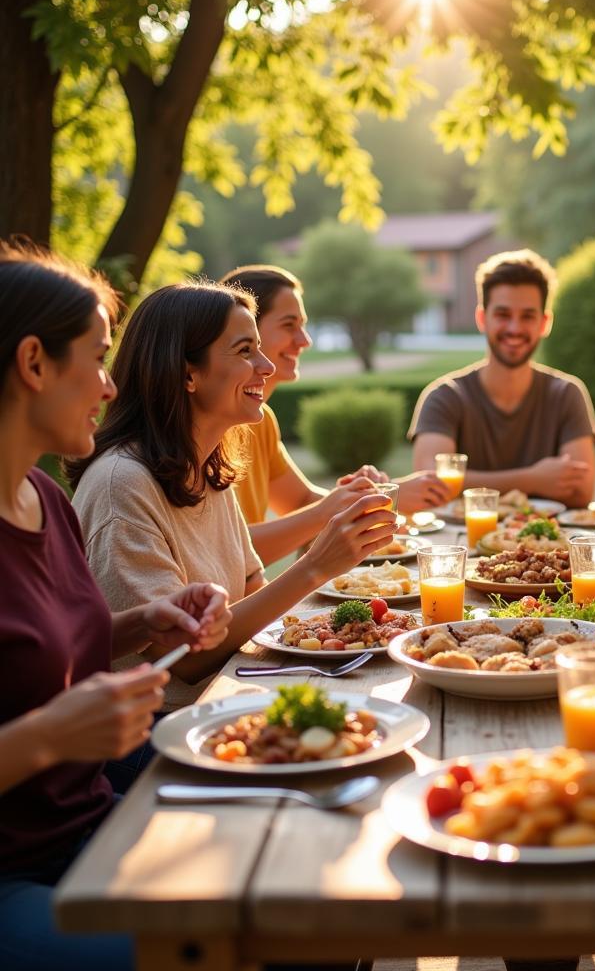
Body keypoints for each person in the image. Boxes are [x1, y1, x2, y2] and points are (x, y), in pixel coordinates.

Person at [0, 242, 231, 971]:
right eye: (98, 359)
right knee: (211, 947)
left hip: (87, 818)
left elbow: (40, 652)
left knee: (299, 875)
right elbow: (39, 712)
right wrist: (46, 737)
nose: (109, 386)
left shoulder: (46, 501)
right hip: (15, 871)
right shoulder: (104, 484)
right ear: (34, 363)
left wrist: (142, 620)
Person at [68, 280, 396, 708]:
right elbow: (184, 659)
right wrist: (316, 566)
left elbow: (251, 588)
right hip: (156, 729)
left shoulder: (205, 465)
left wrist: (339, 625)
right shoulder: (122, 485)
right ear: (187, 372)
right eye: (245, 351)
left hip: (231, 691)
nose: (266, 366)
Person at [219, 264, 448, 564]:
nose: (305, 340)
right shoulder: (211, 427)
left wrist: (370, 496)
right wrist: (374, 500)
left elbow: (299, 501)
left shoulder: (262, 420)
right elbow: (228, 552)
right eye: (289, 325)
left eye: (303, 325)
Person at [409, 249, 595, 508]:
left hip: (547, 546)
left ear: (545, 323)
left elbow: (581, 492)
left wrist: (467, 483)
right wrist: (534, 479)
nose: (514, 328)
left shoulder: (566, 393)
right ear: (481, 318)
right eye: (503, 315)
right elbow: (430, 486)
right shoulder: (445, 395)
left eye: (527, 316)